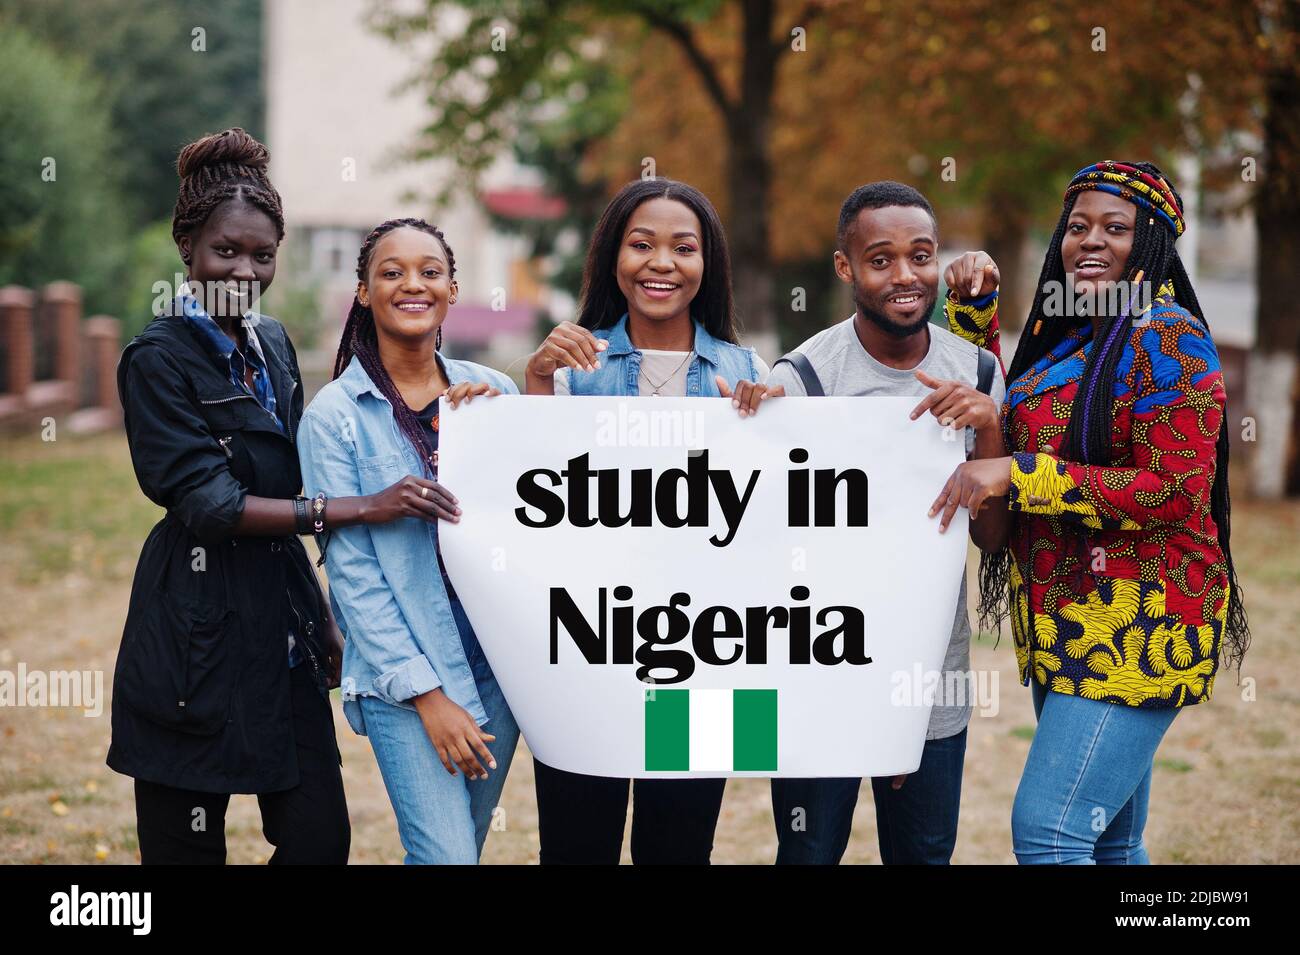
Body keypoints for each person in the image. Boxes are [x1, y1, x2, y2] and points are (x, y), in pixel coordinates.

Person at [110, 129, 412, 864]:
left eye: (263, 255)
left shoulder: (273, 344)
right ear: (188, 246)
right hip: (193, 630)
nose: (244, 270)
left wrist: (326, 620)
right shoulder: (157, 359)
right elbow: (209, 504)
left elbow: (292, 472)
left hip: (283, 627)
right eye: (226, 251)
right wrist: (359, 506)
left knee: (319, 839)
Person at [933, 160, 1249, 864]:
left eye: (1115, 227)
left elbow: (1171, 489)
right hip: (1065, 621)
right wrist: (975, 319)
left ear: (1153, 243)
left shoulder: (1168, 338)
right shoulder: (1072, 337)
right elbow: (1011, 424)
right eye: (1077, 227)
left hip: (1144, 622)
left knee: (1050, 833)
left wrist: (1020, 476)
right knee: (1110, 839)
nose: (1091, 241)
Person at [523, 178, 779, 863]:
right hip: (586, 650)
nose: (661, 262)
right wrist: (539, 386)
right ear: (613, 257)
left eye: (683, 247)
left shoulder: (747, 372)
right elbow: (535, 506)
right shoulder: (574, 368)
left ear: (708, 265)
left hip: (707, 652)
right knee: (578, 847)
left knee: (681, 848)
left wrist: (767, 427)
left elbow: (774, 521)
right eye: (642, 244)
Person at [761, 181, 1004, 865]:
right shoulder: (805, 377)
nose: (905, 275)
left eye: (921, 256)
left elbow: (993, 539)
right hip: (822, 672)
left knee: (923, 856)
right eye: (881, 259)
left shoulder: (978, 370)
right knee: (807, 854)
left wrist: (989, 432)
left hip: (931, 675)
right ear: (845, 268)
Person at [297, 218, 520, 864]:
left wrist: (501, 429)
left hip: (494, 666)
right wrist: (429, 697)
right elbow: (354, 577)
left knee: (459, 854)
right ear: (363, 292)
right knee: (446, 859)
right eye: (391, 272)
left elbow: (530, 521)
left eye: (429, 270)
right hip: (404, 675)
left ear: (453, 287)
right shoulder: (335, 417)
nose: (411, 283)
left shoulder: (491, 391)